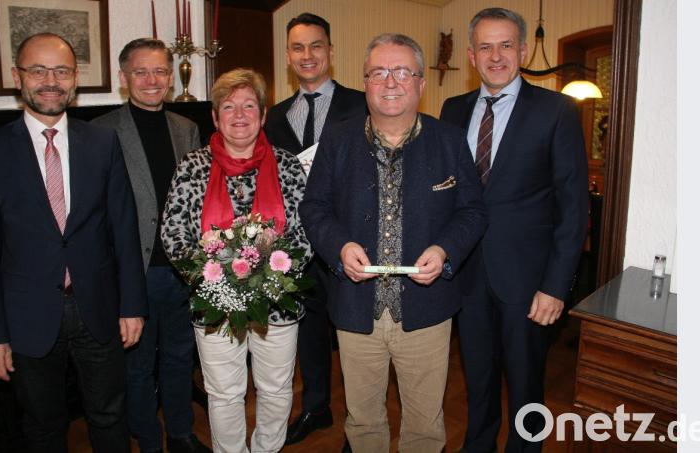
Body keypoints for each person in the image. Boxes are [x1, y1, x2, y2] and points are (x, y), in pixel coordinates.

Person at [300, 33, 487, 452]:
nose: (390, 82)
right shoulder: (337, 140)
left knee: (424, 424)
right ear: (365, 81)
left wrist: (444, 250)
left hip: (427, 309)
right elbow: (314, 208)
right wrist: (339, 247)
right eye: (379, 72)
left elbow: (473, 211)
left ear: (421, 83)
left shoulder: (450, 141)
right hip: (355, 307)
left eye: (402, 72)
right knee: (362, 421)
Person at [0, 33, 147, 452]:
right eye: (38, 70)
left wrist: (133, 305)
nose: (51, 80)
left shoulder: (102, 143)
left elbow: (123, 227)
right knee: (42, 425)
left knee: (109, 414)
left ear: (74, 80)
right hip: (25, 316)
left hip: (98, 308)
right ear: (17, 77)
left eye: (62, 71)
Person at [439, 8, 588, 453]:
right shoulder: (452, 109)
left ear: (523, 50)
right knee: (478, 379)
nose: (496, 55)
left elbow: (573, 207)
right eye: (486, 46)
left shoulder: (556, 110)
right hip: (466, 276)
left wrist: (556, 287)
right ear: (471, 55)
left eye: (506, 45)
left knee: (526, 386)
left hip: (527, 282)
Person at [160, 68, 312, 453]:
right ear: (215, 117)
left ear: (262, 115)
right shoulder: (192, 167)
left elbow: (308, 232)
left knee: (276, 387)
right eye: (228, 107)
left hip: (277, 302)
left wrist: (269, 280)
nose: (239, 115)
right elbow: (174, 235)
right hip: (214, 305)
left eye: (249, 106)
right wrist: (220, 284)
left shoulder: (288, 165)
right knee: (224, 393)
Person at [91, 38, 208, 453]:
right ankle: (149, 440)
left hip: (182, 268)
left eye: (160, 70)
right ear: (124, 79)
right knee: (137, 366)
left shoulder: (186, 128)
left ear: (171, 77)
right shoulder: (100, 132)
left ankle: (179, 434)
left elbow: (198, 198)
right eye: (141, 72)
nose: (152, 80)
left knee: (179, 358)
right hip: (131, 271)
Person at [263, 12, 367, 445]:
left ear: (330, 51)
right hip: (297, 248)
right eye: (298, 47)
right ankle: (317, 408)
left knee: (356, 337)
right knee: (309, 332)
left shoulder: (362, 103)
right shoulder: (274, 116)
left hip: (350, 241)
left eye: (316, 45)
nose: (308, 55)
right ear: (288, 56)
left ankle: (361, 423)